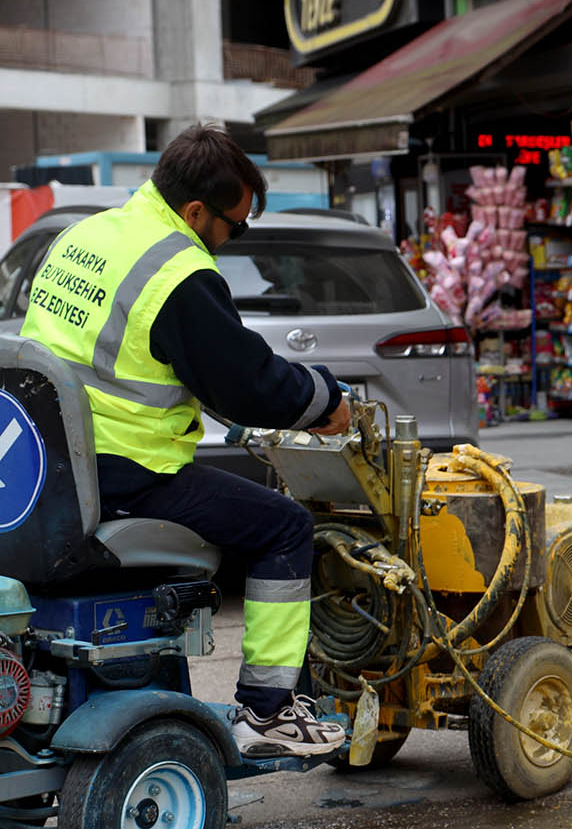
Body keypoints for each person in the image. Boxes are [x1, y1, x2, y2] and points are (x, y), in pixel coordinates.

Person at [19, 123, 350, 759]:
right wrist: (325, 402)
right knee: (284, 528)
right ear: (196, 211)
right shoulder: (178, 271)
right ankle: (268, 713)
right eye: (234, 227)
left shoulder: (84, 235)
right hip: (124, 471)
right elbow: (247, 385)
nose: (229, 241)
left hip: (45, 467)